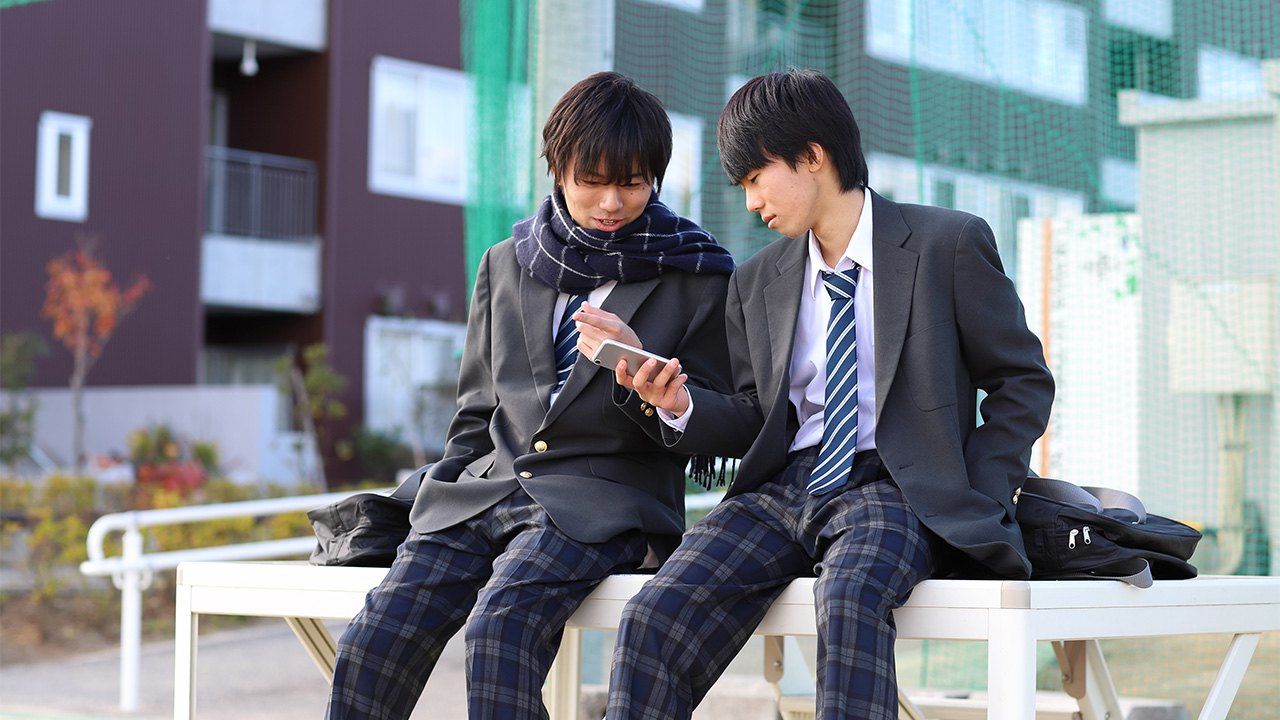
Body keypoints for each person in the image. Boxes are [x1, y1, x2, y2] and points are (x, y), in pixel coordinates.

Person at [605, 69, 1054, 720]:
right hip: (783, 489)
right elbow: (756, 416)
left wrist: (975, 492)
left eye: (755, 178)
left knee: (847, 602)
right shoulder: (756, 280)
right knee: (653, 614)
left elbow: (1021, 381)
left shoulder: (947, 243)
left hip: (894, 486)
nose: (751, 203)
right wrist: (679, 405)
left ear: (813, 156)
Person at [325, 71, 735, 720]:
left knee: (500, 632)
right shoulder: (506, 261)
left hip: (606, 502)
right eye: (591, 180)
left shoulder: (698, 274)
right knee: (377, 637)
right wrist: (443, 491)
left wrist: (657, 387)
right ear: (557, 168)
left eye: (632, 183)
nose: (611, 202)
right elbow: (477, 409)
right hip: (485, 492)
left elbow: (729, 416)